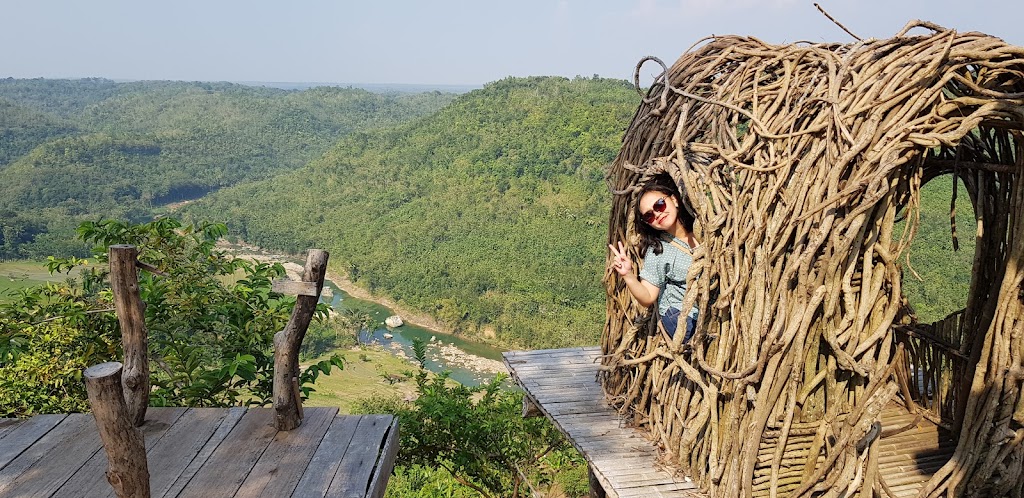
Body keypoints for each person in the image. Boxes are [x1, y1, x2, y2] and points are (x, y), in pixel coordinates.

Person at [609, 180, 699, 341]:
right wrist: (628, 274)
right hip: (679, 316)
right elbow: (648, 297)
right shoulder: (658, 251)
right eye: (649, 215)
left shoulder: (703, 228)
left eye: (659, 205)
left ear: (674, 200)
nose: (657, 214)